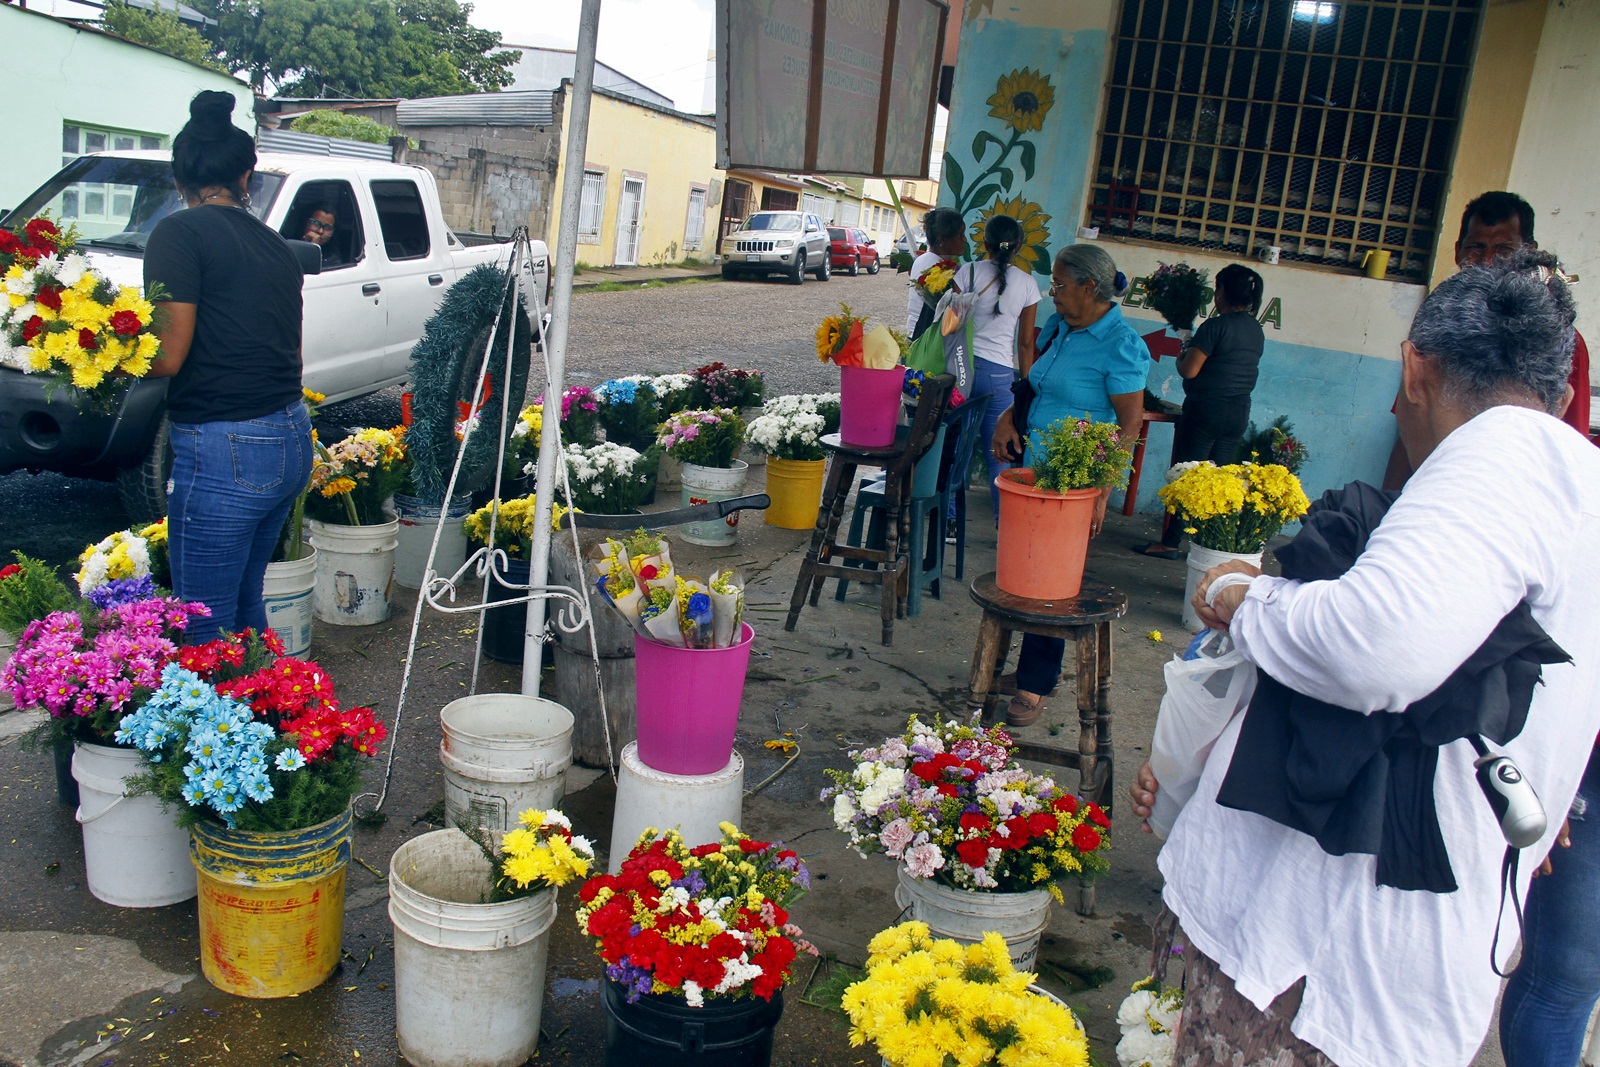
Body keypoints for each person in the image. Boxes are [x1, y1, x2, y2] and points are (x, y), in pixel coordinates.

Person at [1129, 249, 1600, 1067]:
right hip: (1433, 923)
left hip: (1339, 941)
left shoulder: (1500, 455)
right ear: (1561, 394)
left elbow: (1374, 647)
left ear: (1416, 365)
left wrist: (1248, 598)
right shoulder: (1577, 481)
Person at [144, 91, 313, 644]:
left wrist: (98, 359)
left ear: (179, 179)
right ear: (247, 176)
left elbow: (168, 353)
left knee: (202, 626)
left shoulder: (178, 233)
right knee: (243, 605)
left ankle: (233, 724)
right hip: (288, 434)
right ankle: (266, 715)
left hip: (228, 446)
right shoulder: (273, 243)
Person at [989, 244, 1145, 726]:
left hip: (1075, 483)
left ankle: (1035, 685)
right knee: (1023, 573)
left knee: (1051, 582)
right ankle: (1039, 672)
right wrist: (1007, 418)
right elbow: (1032, 386)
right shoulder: (1059, 328)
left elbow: (1130, 426)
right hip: (1033, 474)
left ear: (1089, 287)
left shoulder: (1120, 343)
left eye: (1058, 285)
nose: (1052, 293)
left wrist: (1102, 491)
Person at [1384, 191, 1593, 490]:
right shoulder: (1440, 322)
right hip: (1434, 490)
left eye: (1505, 249)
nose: (1488, 261)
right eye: (1476, 248)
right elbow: (1408, 431)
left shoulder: (1561, 339)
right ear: (1457, 251)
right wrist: (1386, 505)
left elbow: (1570, 441)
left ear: (1528, 251)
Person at [1133, 264, 1266, 558]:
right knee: (1217, 481)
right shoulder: (1255, 330)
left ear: (1221, 293)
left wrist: (1183, 355)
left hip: (1207, 409)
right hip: (1238, 412)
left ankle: (1170, 543)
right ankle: (1209, 545)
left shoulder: (1216, 327)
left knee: (1189, 477)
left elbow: (1190, 370)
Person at [945, 214, 1042, 522]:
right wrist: (1025, 385)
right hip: (999, 375)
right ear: (1019, 246)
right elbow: (1025, 344)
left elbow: (949, 325)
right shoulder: (1028, 284)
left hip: (961, 370)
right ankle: (1005, 525)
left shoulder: (967, 272)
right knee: (998, 454)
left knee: (955, 448)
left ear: (983, 242)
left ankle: (947, 522)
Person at [905, 206, 966, 338]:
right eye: (960, 235)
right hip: (925, 338)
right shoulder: (937, 267)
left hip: (917, 334)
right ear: (942, 239)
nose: (964, 240)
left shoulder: (925, 259)